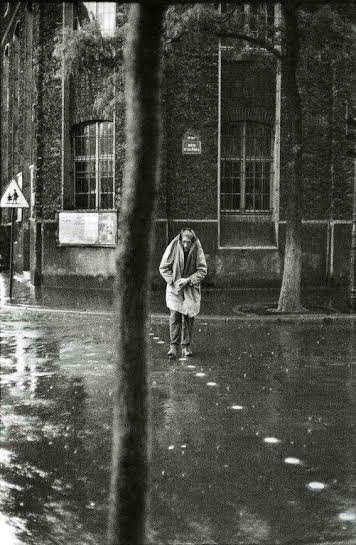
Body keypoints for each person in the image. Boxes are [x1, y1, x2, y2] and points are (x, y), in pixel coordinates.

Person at [159, 228, 207, 358]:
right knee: (174, 316)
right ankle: (173, 347)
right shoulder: (173, 246)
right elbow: (163, 267)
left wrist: (189, 280)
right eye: (184, 242)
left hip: (190, 287)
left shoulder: (197, 248)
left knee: (189, 317)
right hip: (175, 288)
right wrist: (173, 281)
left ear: (193, 241)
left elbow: (202, 270)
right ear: (180, 240)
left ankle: (186, 346)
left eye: (189, 242)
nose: (186, 245)